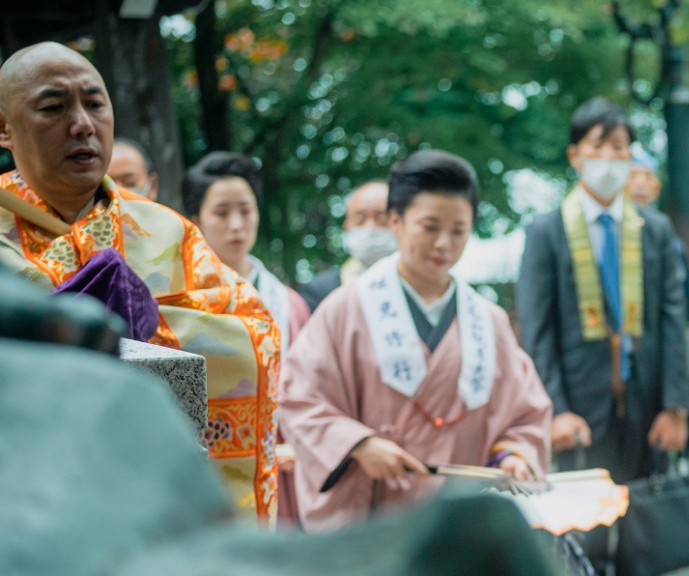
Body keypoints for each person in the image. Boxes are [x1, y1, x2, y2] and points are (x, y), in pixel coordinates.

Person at [0, 42, 280, 520]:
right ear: (4, 127)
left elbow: (256, 335)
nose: (82, 124)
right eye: (53, 106)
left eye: (94, 103)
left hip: (150, 490)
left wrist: (148, 329)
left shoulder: (168, 231)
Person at [518, 98, 689, 576]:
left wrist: (675, 405)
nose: (611, 160)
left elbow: (673, 320)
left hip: (645, 412)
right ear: (575, 156)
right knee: (580, 542)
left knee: (643, 542)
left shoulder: (655, 230)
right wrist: (554, 408)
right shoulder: (546, 231)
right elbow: (536, 329)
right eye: (600, 147)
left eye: (621, 148)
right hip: (578, 416)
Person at [280, 150, 552, 531]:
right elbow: (299, 396)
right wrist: (357, 445)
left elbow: (525, 413)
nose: (444, 243)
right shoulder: (346, 307)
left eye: (458, 231)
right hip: (375, 518)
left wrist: (514, 455)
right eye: (430, 227)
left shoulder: (487, 320)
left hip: (458, 520)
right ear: (396, 221)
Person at [182, 152, 309, 356]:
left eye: (246, 211)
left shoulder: (289, 304)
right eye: (221, 213)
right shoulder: (178, 295)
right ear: (196, 221)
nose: (236, 225)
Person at [300, 180, 395, 308]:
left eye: (381, 218)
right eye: (360, 219)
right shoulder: (320, 291)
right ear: (346, 226)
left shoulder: (422, 284)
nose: (370, 227)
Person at [108, 137, 159, 202]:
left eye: (129, 182)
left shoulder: (169, 212)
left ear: (153, 187)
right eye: (107, 184)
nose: (118, 193)